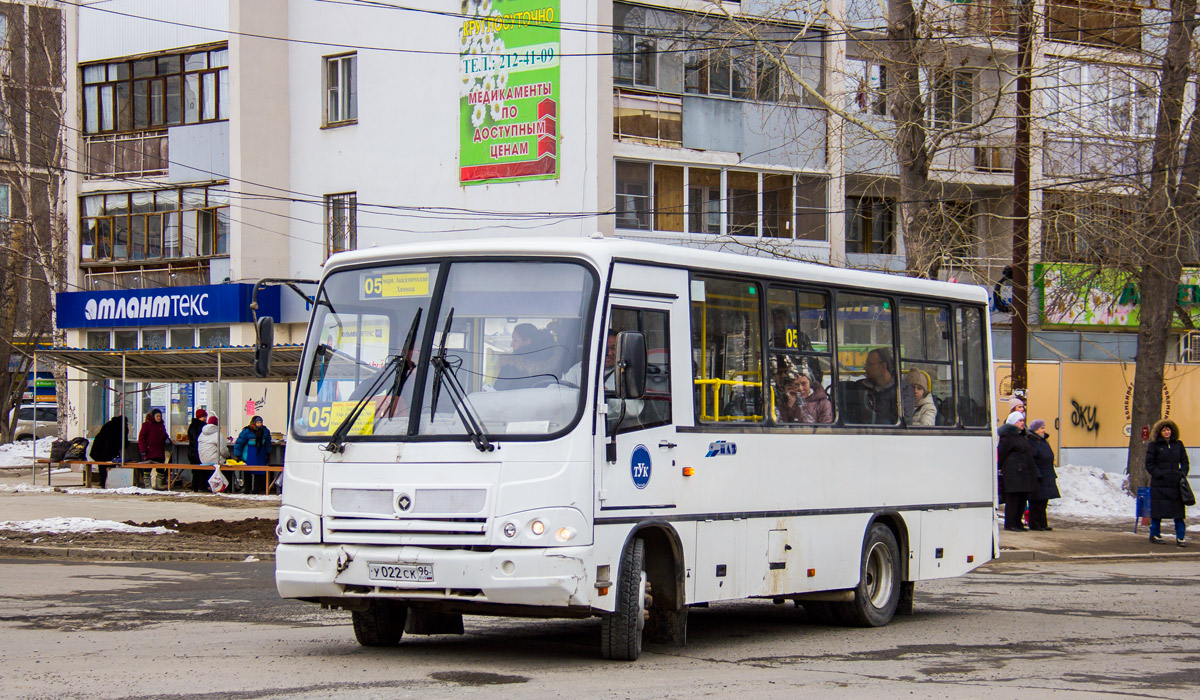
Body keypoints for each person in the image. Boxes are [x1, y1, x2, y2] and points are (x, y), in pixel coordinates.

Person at [1145, 419, 1190, 546]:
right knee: (1158, 512)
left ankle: (1180, 537)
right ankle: (1154, 534)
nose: (1167, 432)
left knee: (1179, 513)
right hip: (1160, 485)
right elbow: (1149, 464)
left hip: (1175, 485)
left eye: (1168, 429)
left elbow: (1185, 462)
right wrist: (1160, 474)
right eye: (1164, 430)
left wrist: (1182, 473)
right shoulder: (1154, 446)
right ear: (1159, 432)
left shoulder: (1178, 445)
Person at [996, 411, 1038, 531]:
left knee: (1022, 498)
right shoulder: (1008, 437)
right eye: (1020, 421)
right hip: (1013, 474)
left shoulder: (1021, 436)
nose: (1022, 423)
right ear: (1013, 422)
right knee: (1013, 500)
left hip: (1024, 473)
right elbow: (1001, 454)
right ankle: (1010, 523)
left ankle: (1018, 522)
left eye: (1023, 421)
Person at [850, 348, 914, 425]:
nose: (865, 368)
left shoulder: (903, 389)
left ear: (883, 366)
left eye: (869, 364)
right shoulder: (859, 387)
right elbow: (852, 417)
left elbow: (903, 420)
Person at [1027, 418, 1060, 531]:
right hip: (1039, 475)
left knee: (1044, 500)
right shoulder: (1031, 441)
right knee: (1037, 500)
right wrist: (1037, 473)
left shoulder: (1043, 440)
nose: (1043, 430)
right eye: (1041, 428)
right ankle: (1035, 523)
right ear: (1035, 430)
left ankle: (1043, 522)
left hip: (1047, 473)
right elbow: (1032, 459)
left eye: (1044, 428)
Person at [234, 415, 272, 494]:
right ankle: (247, 489)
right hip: (248, 454)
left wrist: (268, 453)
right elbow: (239, 443)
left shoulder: (265, 431)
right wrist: (237, 454)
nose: (259, 424)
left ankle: (256, 490)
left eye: (260, 422)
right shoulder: (247, 431)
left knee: (259, 472)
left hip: (260, 454)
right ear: (253, 422)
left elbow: (268, 443)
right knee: (247, 472)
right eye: (257, 422)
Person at [88, 415, 128, 489]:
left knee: (102, 467)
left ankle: (103, 482)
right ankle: (108, 482)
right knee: (111, 465)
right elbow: (123, 441)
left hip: (98, 450)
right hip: (107, 451)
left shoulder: (109, 424)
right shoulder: (122, 427)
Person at [137, 408, 171, 490]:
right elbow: (141, 438)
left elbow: (164, 435)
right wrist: (143, 450)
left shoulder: (161, 426)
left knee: (160, 468)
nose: (159, 418)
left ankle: (158, 485)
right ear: (153, 416)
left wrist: (167, 439)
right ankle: (147, 485)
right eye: (157, 416)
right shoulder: (147, 425)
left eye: (160, 416)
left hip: (159, 451)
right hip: (149, 451)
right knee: (147, 468)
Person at [186, 408, 208, 492]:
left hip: (193, 452)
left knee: (196, 471)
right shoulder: (201, 427)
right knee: (200, 471)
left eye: (205, 416)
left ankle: (196, 487)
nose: (204, 418)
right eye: (202, 416)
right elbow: (196, 440)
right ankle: (200, 487)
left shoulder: (192, 426)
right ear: (198, 417)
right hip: (197, 452)